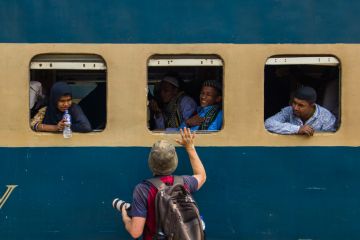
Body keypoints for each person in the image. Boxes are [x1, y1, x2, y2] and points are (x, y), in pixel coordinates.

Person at [121, 128, 206, 239]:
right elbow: (202, 175)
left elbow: (136, 232)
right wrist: (190, 147)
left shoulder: (143, 189)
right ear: (174, 162)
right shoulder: (184, 183)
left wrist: (126, 219)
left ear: (150, 162)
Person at [265, 86, 336, 136]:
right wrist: (297, 129)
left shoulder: (327, 117)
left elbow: (331, 141)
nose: (295, 108)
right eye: (294, 103)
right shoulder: (288, 110)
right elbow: (268, 123)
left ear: (312, 105)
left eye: (300, 105)